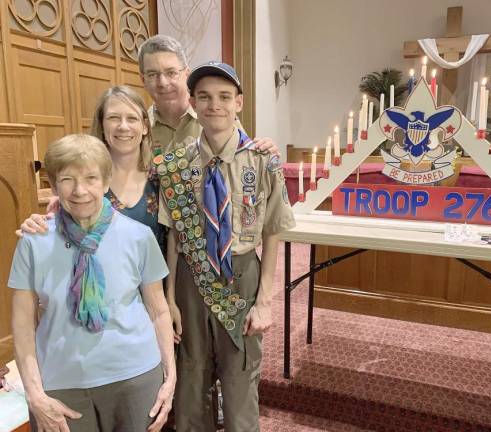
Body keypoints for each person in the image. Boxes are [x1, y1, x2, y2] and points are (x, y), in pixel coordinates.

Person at [156, 61, 295, 431]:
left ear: (239, 103)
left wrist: (264, 301)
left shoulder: (263, 161)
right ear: (193, 103)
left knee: (240, 377)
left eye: (223, 97)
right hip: (189, 278)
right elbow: (173, 236)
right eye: (203, 97)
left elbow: (274, 231)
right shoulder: (175, 165)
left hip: (242, 273)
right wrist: (170, 299)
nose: (213, 105)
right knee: (191, 377)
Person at [8, 134, 176, 432]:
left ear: (106, 182)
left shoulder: (138, 236)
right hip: (61, 383)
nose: (80, 190)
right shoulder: (33, 241)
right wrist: (34, 394)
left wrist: (170, 378)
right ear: (53, 184)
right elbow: (22, 325)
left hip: (135, 376)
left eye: (91, 178)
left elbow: (158, 311)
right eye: (67, 179)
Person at [19, 86, 166, 252]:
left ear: (145, 126)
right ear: (102, 124)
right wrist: (38, 225)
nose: (123, 126)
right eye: (114, 118)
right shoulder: (81, 182)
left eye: (132, 118)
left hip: (155, 275)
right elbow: (60, 231)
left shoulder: (163, 176)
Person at [138, 34, 277, 154]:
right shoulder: (138, 128)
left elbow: (243, 161)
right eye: (152, 74)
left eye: (171, 73)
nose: (162, 82)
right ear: (143, 80)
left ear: (186, 74)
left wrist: (263, 151)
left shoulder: (217, 115)